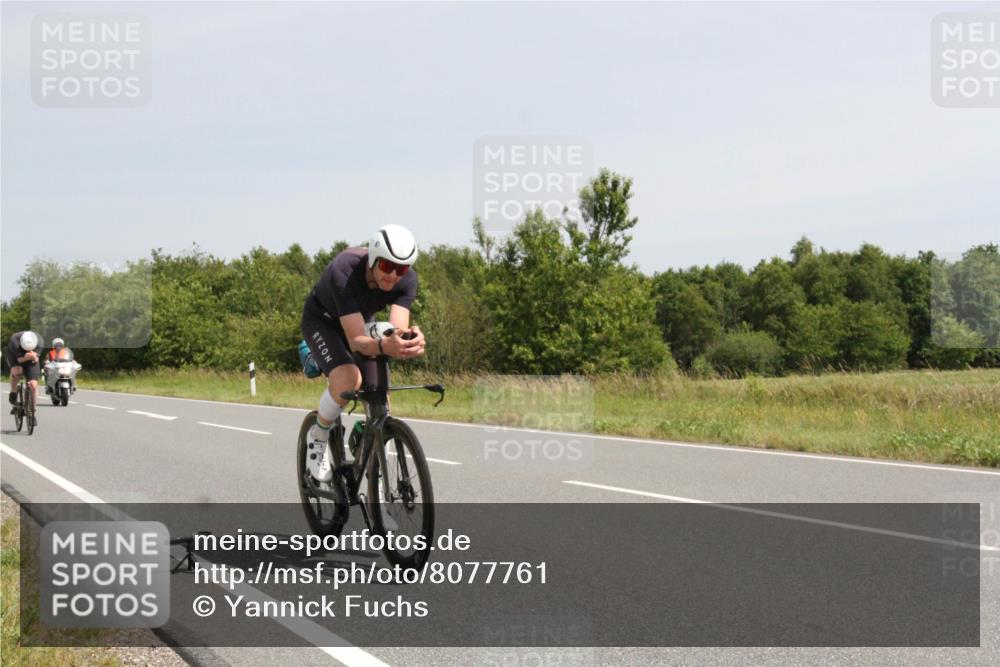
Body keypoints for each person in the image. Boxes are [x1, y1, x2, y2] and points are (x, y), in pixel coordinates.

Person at [300, 225, 426, 482]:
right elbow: (357, 341)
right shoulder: (344, 269)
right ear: (373, 258)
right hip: (323, 322)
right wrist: (382, 345)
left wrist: (408, 340)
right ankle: (319, 434)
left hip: (359, 319)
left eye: (401, 269)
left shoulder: (407, 281)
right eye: (386, 266)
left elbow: (396, 329)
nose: (393, 275)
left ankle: (367, 434)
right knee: (349, 378)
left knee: (380, 393)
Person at [6, 331, 41, 413]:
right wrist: (26, 357)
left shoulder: (40, 341)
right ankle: (13, 390)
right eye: (26, 349)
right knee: (17, 372)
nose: (28, 350)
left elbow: (36, 358)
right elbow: (19, 360)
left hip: (31, 358)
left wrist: (35, 357)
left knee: (33, 385)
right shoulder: (15, 340)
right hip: (14, 356)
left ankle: (32, 410)